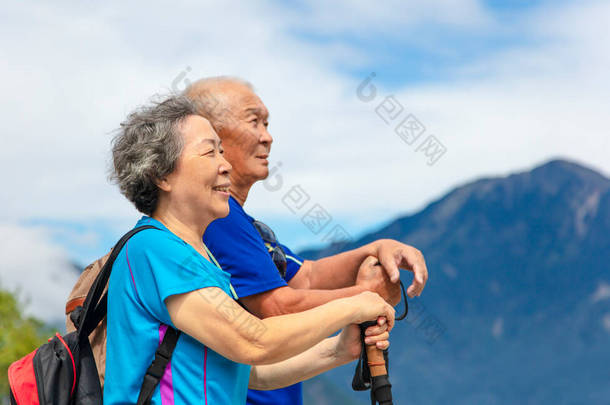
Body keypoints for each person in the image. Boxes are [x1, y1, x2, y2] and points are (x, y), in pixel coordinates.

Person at [103, 95, 395, 404]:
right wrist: (355, 303)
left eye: (222, 152)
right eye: (209, 153)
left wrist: (338, 350)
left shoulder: (201, 258)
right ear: (161, 175)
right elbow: (253, 340)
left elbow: (251, 371)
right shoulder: (154, 248)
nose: (225, 165)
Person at [184, 77, 429, 405]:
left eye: (268, 123)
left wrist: (376, 249)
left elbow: (308, 276)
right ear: (212, 136)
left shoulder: (244, 225)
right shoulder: (217, 218)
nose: (268, 137)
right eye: (254, 121)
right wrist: (367, 296)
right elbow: (276, 307)